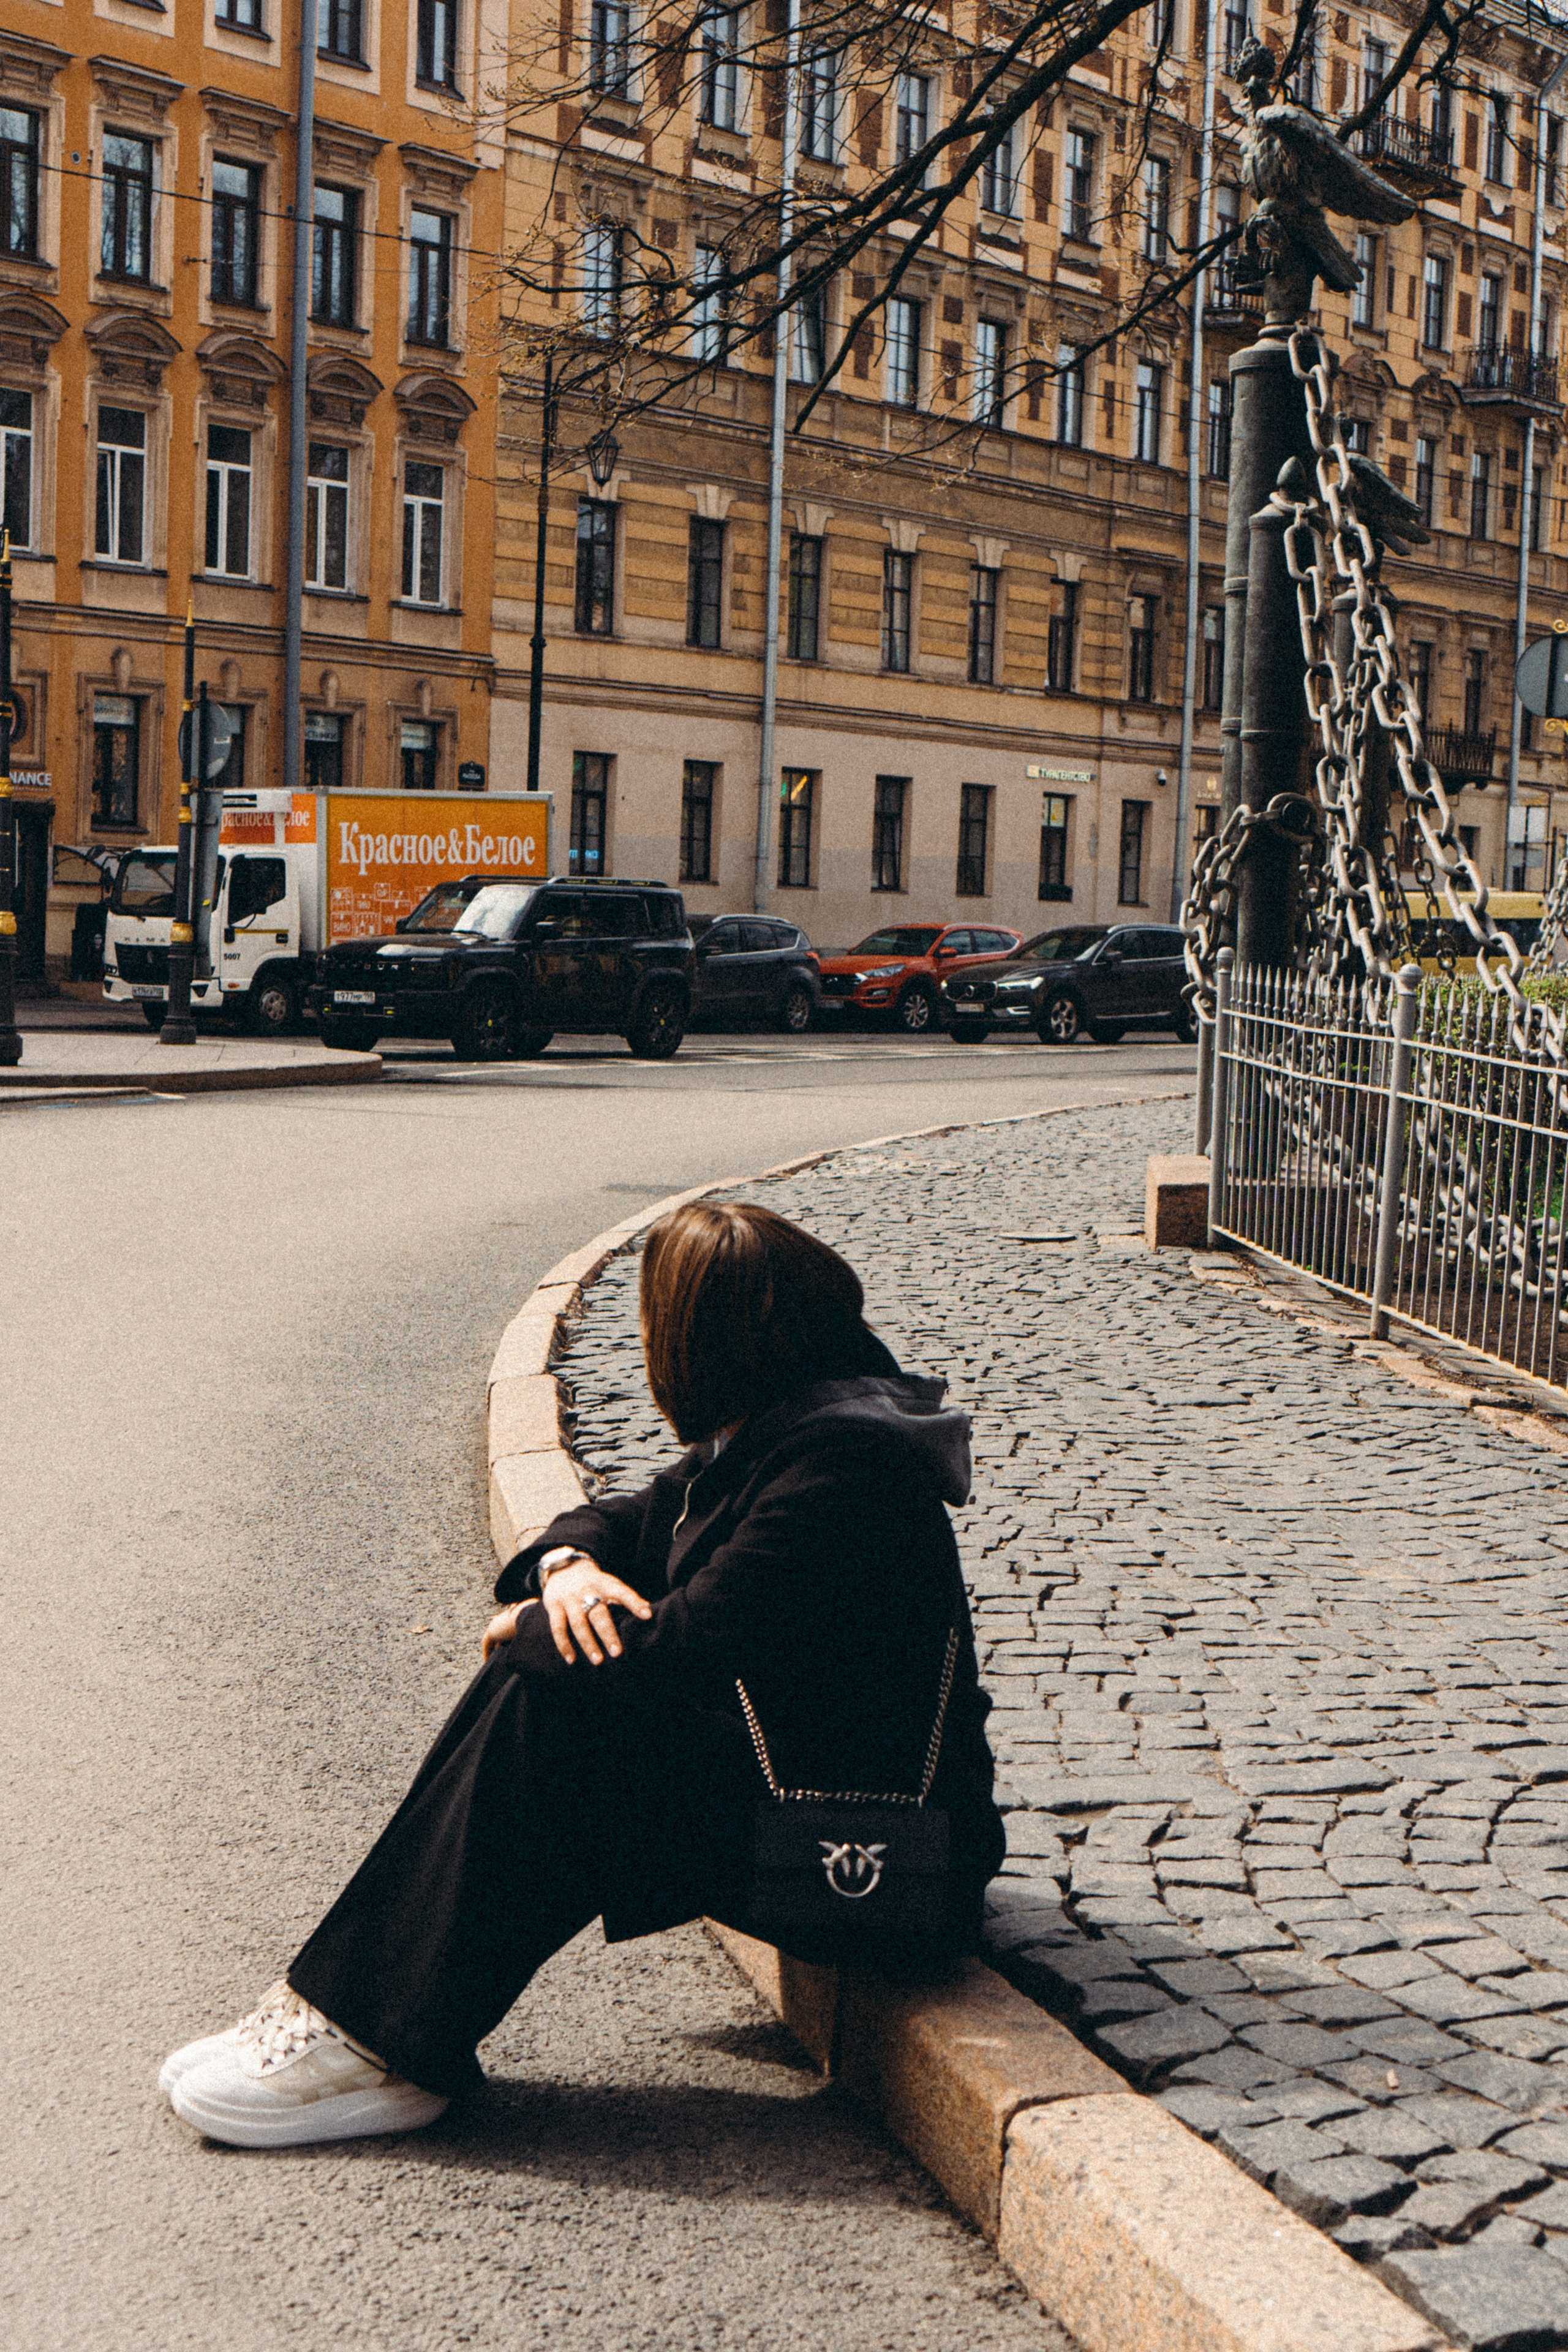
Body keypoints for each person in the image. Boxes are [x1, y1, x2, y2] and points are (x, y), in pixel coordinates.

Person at [162, 1202, 1005, 2149]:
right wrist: (565, 1572)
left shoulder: (844, 1475)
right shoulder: (792, 1428)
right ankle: (356, 2014)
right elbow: (625, 1518)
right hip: (815, 1817)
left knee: (558, 1703)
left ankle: (387, 2047)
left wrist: (526, 1625)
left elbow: (679, 1653)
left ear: (700, 1340)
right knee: (559, 1667)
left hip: (884, 1873)